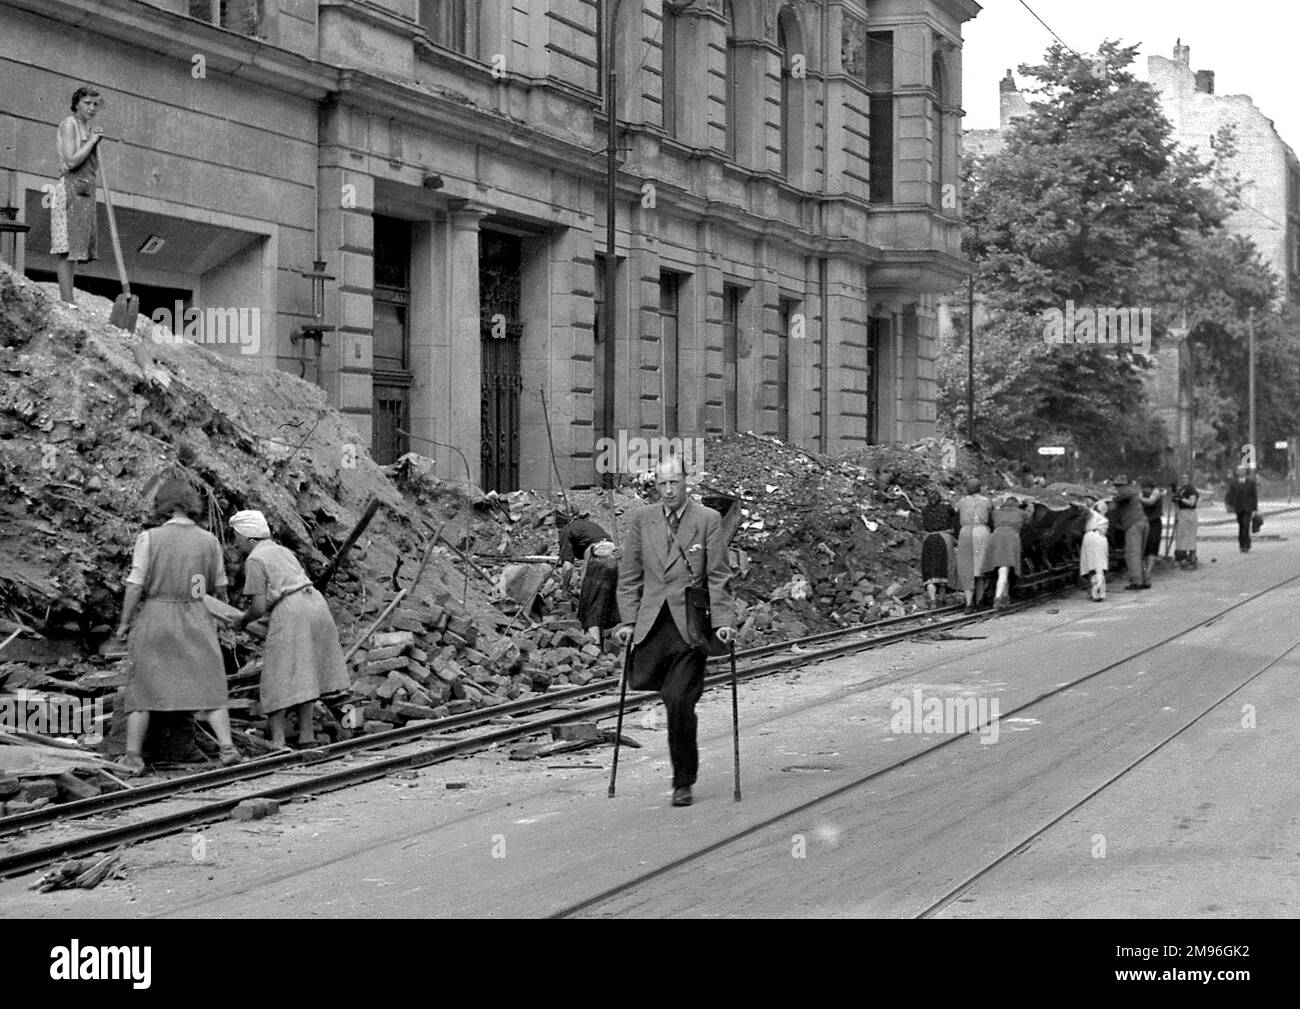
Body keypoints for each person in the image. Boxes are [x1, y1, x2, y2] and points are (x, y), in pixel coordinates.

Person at [614, 455, 735, 808]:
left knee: (679, 701)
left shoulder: (708, 520)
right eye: (662, 484)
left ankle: (683, 780)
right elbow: (630, 576)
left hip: (689, 626)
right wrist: (627, 621)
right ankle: (682, 770)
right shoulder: (642, 519)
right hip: (653, 625)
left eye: (674, 483)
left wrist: (723, 622)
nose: (668, 491)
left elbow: (718, 575)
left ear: (687, 483)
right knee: (666, 697)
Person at [111, 478, 241, 776]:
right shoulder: (209, 540)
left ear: (164, 505)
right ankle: (227, 748)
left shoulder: (149, 538)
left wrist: (123, 624)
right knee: (210, 685)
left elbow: (135, 585)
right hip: (196, 614)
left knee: (142, 688)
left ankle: (132, 756)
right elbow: (218, 588)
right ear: (191, 506)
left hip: (156, 616)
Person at [228, 510, 350, 749]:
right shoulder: (283, 551)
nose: (235, 543)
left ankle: (278, 741)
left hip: (291, 610)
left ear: (248, 536)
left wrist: (242, 621)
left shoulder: (255, 559)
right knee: (308, 671)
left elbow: (259, 606)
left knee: (276, 674)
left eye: (236, 537)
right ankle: (307, 736)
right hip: (315, 604)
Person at [52, 86, 104, 304]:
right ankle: (67, 300)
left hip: (84, 192)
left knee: (77, 247)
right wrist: (91, 142)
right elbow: (71, 160)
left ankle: (70, 298)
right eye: (87, 103)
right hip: (69, 190)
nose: (91, 108)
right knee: (66, 247)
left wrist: (92, 140)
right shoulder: (69, 124)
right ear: (76, 104)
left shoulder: (88, 128)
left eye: (95, 104)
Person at [559, 512, 621, 641]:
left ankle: (594, 646)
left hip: (598, 556)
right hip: (615, 557)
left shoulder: (565, 530)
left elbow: (568, 566)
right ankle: (609, 638)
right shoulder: (587, 525)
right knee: (606, 599)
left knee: (590, 602)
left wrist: (565, 589)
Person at [954, 477, 992, 611]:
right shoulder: (986, 501)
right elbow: (991, 518)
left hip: (965, 532)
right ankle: (980, 601)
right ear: (980, 488)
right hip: (982, 531)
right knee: (980, 567)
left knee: (966, 567)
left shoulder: (961, 502)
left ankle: (969, 603)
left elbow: (955, 519)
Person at [984, 495, 1028, 608]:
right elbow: (1028, 521)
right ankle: (998, 598)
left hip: (995, 538)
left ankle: (1005, 596)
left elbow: (990, 519)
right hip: (1011, 539)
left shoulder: (996, 513)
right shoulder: (1021, 513)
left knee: (1002, 569)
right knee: (1004, 569)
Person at [919, 489, 959, 610]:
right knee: (944, 568)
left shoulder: (924, 510)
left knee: (930, 571)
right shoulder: (947, 508)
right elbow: (955, 517)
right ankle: (941, 598)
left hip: (928, 540)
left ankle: (932, 601)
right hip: (944, 539)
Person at [1112, 475, 1149, 590]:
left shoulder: (1126, 492)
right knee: (1140, 555)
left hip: (1134, 525)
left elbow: (1122, 496)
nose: (1117, 488)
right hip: (1143, 523)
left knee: (1132, 554)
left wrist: (1112, 498)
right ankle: (1145, 579)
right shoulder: (1132, 491)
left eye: (1118, 486)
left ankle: (1136, 582)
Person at [1080, 498, 1111, 601]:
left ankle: (1097, 593)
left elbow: (1086, 510)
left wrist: (1080, 502)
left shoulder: (1093, 514)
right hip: (1101, 539)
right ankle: (1097, 591)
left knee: (1093, 567)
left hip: (1092, 538)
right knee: (1099, 566)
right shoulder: (1103, 519)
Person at [1224, 467, 1259, 553]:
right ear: (1237, 472)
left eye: (1243, 471)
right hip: (1238, 508)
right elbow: (1230, 494)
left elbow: (1254, 496)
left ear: (1245, 472)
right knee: (1241, 526)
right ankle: (1241, 544)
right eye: (1239, 471)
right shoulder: (1234, 482)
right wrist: (1229, 504)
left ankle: (1246, 545)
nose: (1241, 472)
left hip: (1248, 508)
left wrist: (1255, 509)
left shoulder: (1250, 482)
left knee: (1246, 525)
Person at [1138, 477, 1165, 585]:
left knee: (1152, 547)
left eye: (1146, 488)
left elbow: (1150, 502)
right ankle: (1144, 573)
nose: (1144, 490)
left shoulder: (1156, 492)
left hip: (1154, 522)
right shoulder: (1142, 494)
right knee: (1143, 548)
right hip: (1144, 522)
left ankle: (1148, 572)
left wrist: (1138, 497)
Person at [1173, 475, 1200, 568]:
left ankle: (1192, 556)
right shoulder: (1181, 489)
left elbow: (1192, 503)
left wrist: (1181, 498)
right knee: (1181, 535)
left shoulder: (1191, 490)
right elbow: (1177, 501)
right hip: (1182, 513)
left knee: (1190, 535)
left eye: (1186, 478)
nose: (1184, 479)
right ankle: (1182, 555)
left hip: (1190, 513)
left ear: (1190, 479)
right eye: (1183, 478)